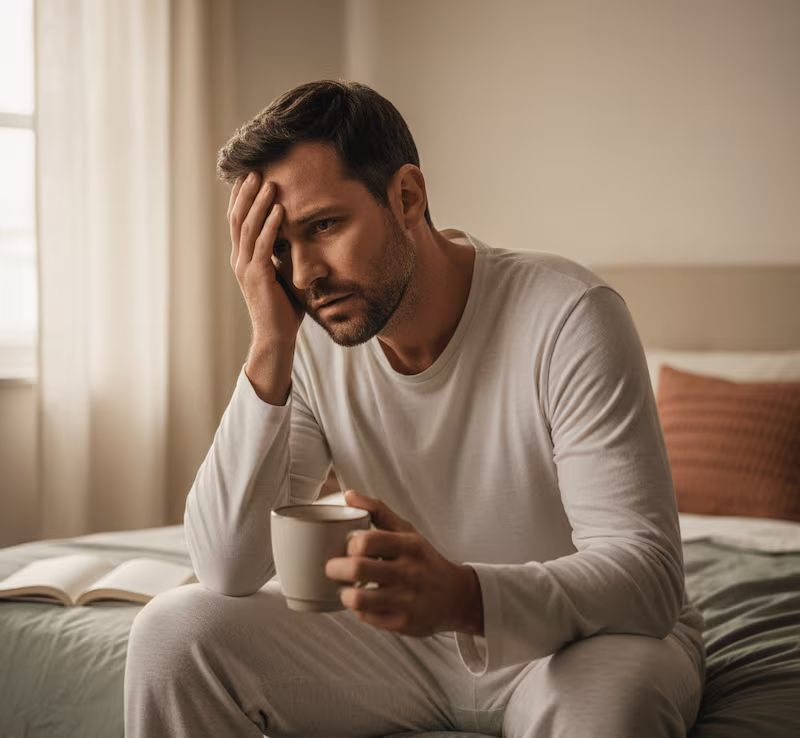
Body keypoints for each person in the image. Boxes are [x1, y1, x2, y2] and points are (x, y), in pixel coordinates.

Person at [124, 79, 705, 738]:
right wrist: (269, 342)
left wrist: (464, 597)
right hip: (404, 645)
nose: (305, 274)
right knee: (172, 636)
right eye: (280, 247)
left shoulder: (568, 314)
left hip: (580, 641)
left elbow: (647, 577)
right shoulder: (308, 340)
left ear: (406, 197)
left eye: (323, 226)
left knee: (608, 715)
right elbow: (227, 568)